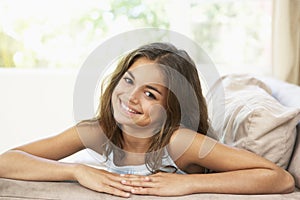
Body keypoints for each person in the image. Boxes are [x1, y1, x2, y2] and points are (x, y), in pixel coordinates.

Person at [0, 42, 295, 198]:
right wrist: (76, 171)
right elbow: (7, 160)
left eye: (150, 94)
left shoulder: (179, 141)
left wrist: (187, 186)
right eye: (128, 81)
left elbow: (279, 179)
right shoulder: (102, 131)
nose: (130, 97)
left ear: (173, 107)